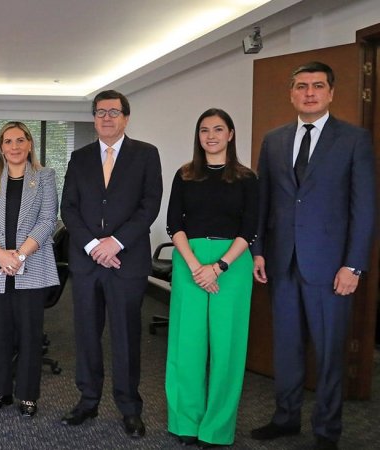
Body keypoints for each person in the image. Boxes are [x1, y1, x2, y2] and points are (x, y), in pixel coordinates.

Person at [250, 62, 375, 450]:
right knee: (286, 349)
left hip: (331, 267)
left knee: (329, 353)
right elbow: (263, 201)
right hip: (281, 261)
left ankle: (327, 430)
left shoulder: (354, 140)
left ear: (330, 93)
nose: (309, 93)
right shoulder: (274, 140)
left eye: (317, 86)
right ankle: (285, 419)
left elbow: (364, 207)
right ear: (291, 94)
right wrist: (257, 250)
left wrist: (353, 264)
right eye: (301, 86)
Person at [60, 89, 162, 437]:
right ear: (94, 118)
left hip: (126, 262)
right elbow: (69, 209)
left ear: (126, 118)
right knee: (87, 335)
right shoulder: (79, 157)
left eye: (114, 112)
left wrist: (115, 242)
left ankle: (130, 408)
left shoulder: (146, 155)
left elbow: (149, 206)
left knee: (126, 336)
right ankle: (88, 401)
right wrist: (92, 245)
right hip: (87, 263)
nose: (106, 117)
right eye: (100, 112)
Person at [164, 108, 257, 447]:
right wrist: (194, 266)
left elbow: (250, 229)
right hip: (189, 260)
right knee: (186, 346)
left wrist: (218, 267)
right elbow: (175, 223)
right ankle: (185, 422)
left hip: (231, 264)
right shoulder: (185, 174)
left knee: (226, 348)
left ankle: (216, 428)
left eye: (219, 129)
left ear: (231, 134)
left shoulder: (247, 178)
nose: (211, 135)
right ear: (198, 136)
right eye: (204, 130)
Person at [0, 122, 59, 418]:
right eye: (8, 141)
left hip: (31, 264)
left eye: (20, 140)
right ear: (1, 147)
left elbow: (48, 220)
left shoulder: (44, 176)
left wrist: (19, 255)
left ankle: (28, 395)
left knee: (30, 334)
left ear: (30, 144)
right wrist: (0, 254)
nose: (15, 146)